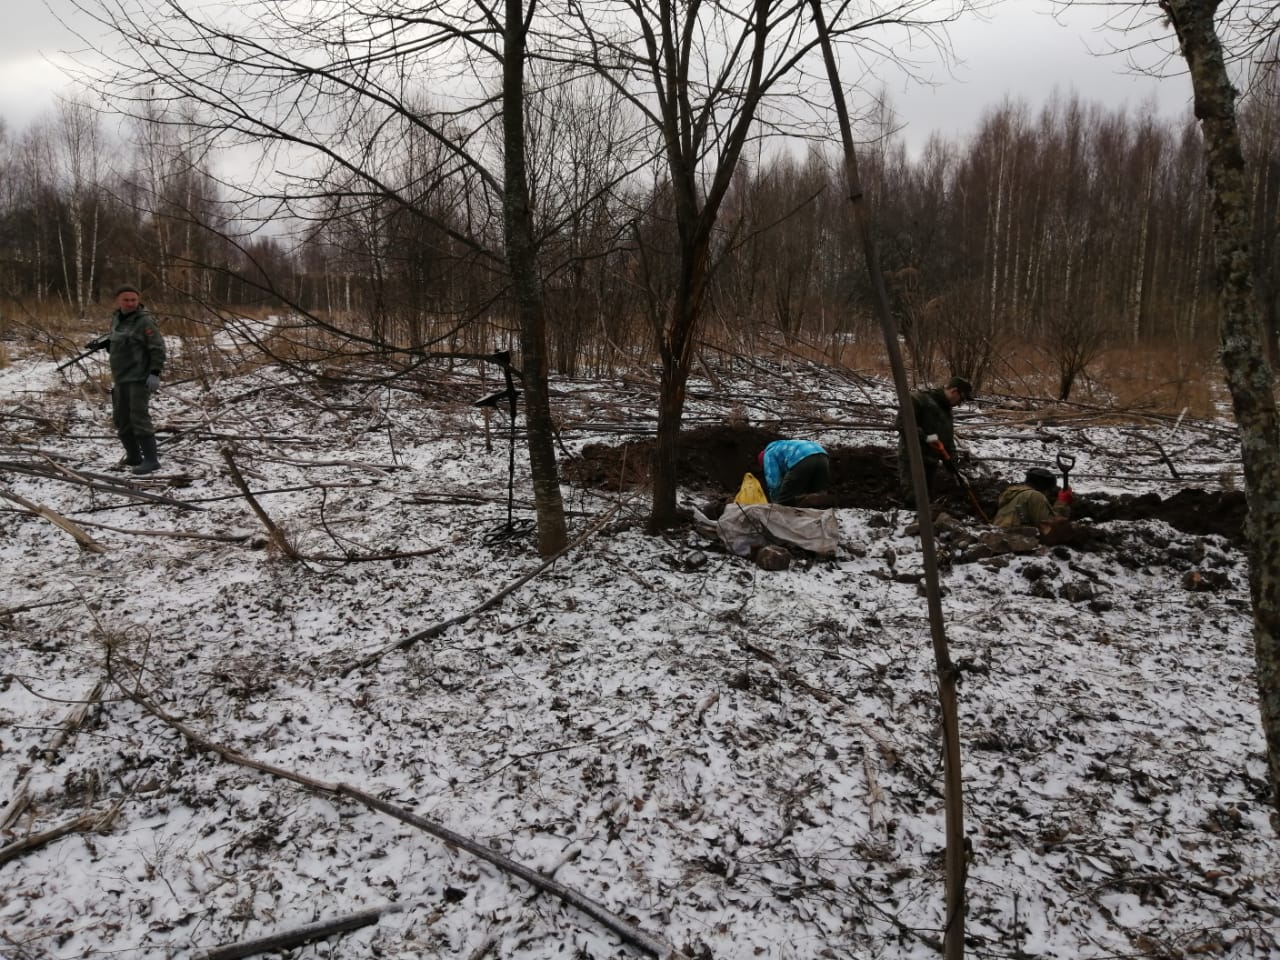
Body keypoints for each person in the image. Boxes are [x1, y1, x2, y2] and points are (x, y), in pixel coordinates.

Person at [92, 284, 167, 474]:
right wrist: (107, 345)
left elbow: (157, 348)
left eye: (134, 300)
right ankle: (134, 456)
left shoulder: (145, 321)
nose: (130, 303)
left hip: (139, 378)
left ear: (138, 300)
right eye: (126, 300)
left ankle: (151, 460)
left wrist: (155, 373)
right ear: (118, 301)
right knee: (121, 419)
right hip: (121, 377)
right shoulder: (117, 318)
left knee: (139, 417)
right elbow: (123, 340)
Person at [896, 375, 974, 505]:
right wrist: (926, 438)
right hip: (912, 460)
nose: (960, 404)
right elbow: (902, 424)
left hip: (931, 462)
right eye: (962, 399)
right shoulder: (919, 399)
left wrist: (956, 471)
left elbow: (948, 442)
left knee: (927, 499)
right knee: (914, 499)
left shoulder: (946, 411)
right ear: (954, 391)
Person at [993, 466, 1073, 530]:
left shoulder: (1013, 495)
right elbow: (1051, 530)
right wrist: (1062, 502)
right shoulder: (1034, 495)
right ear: (1046, 489)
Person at [757, 439, 831, 506]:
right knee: (817, 496)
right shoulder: (783, 446)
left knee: (784, 500)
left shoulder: (769, 454)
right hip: (823, 456)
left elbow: (774, 482)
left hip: (801, 457)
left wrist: (775, 502)